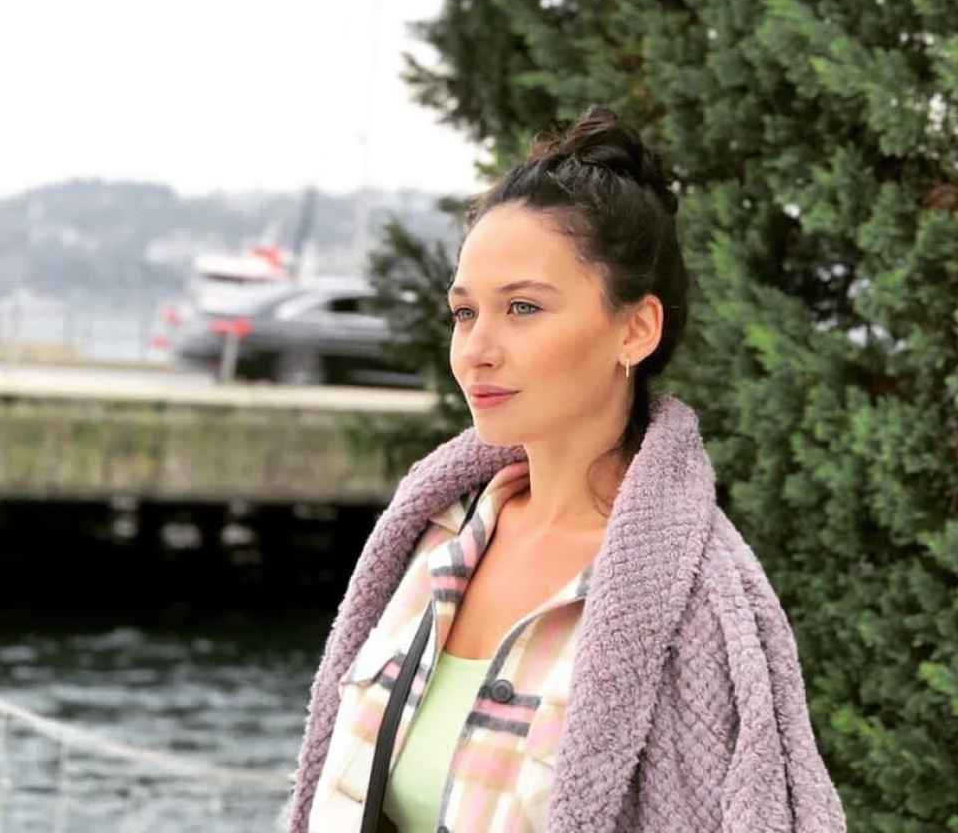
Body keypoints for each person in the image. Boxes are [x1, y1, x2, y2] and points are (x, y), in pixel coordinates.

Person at [285, 105, 846, 832]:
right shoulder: (434, 536)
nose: (476, 351)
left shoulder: (702, 602)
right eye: (464, 313)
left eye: (522, 308)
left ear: (636, 329)